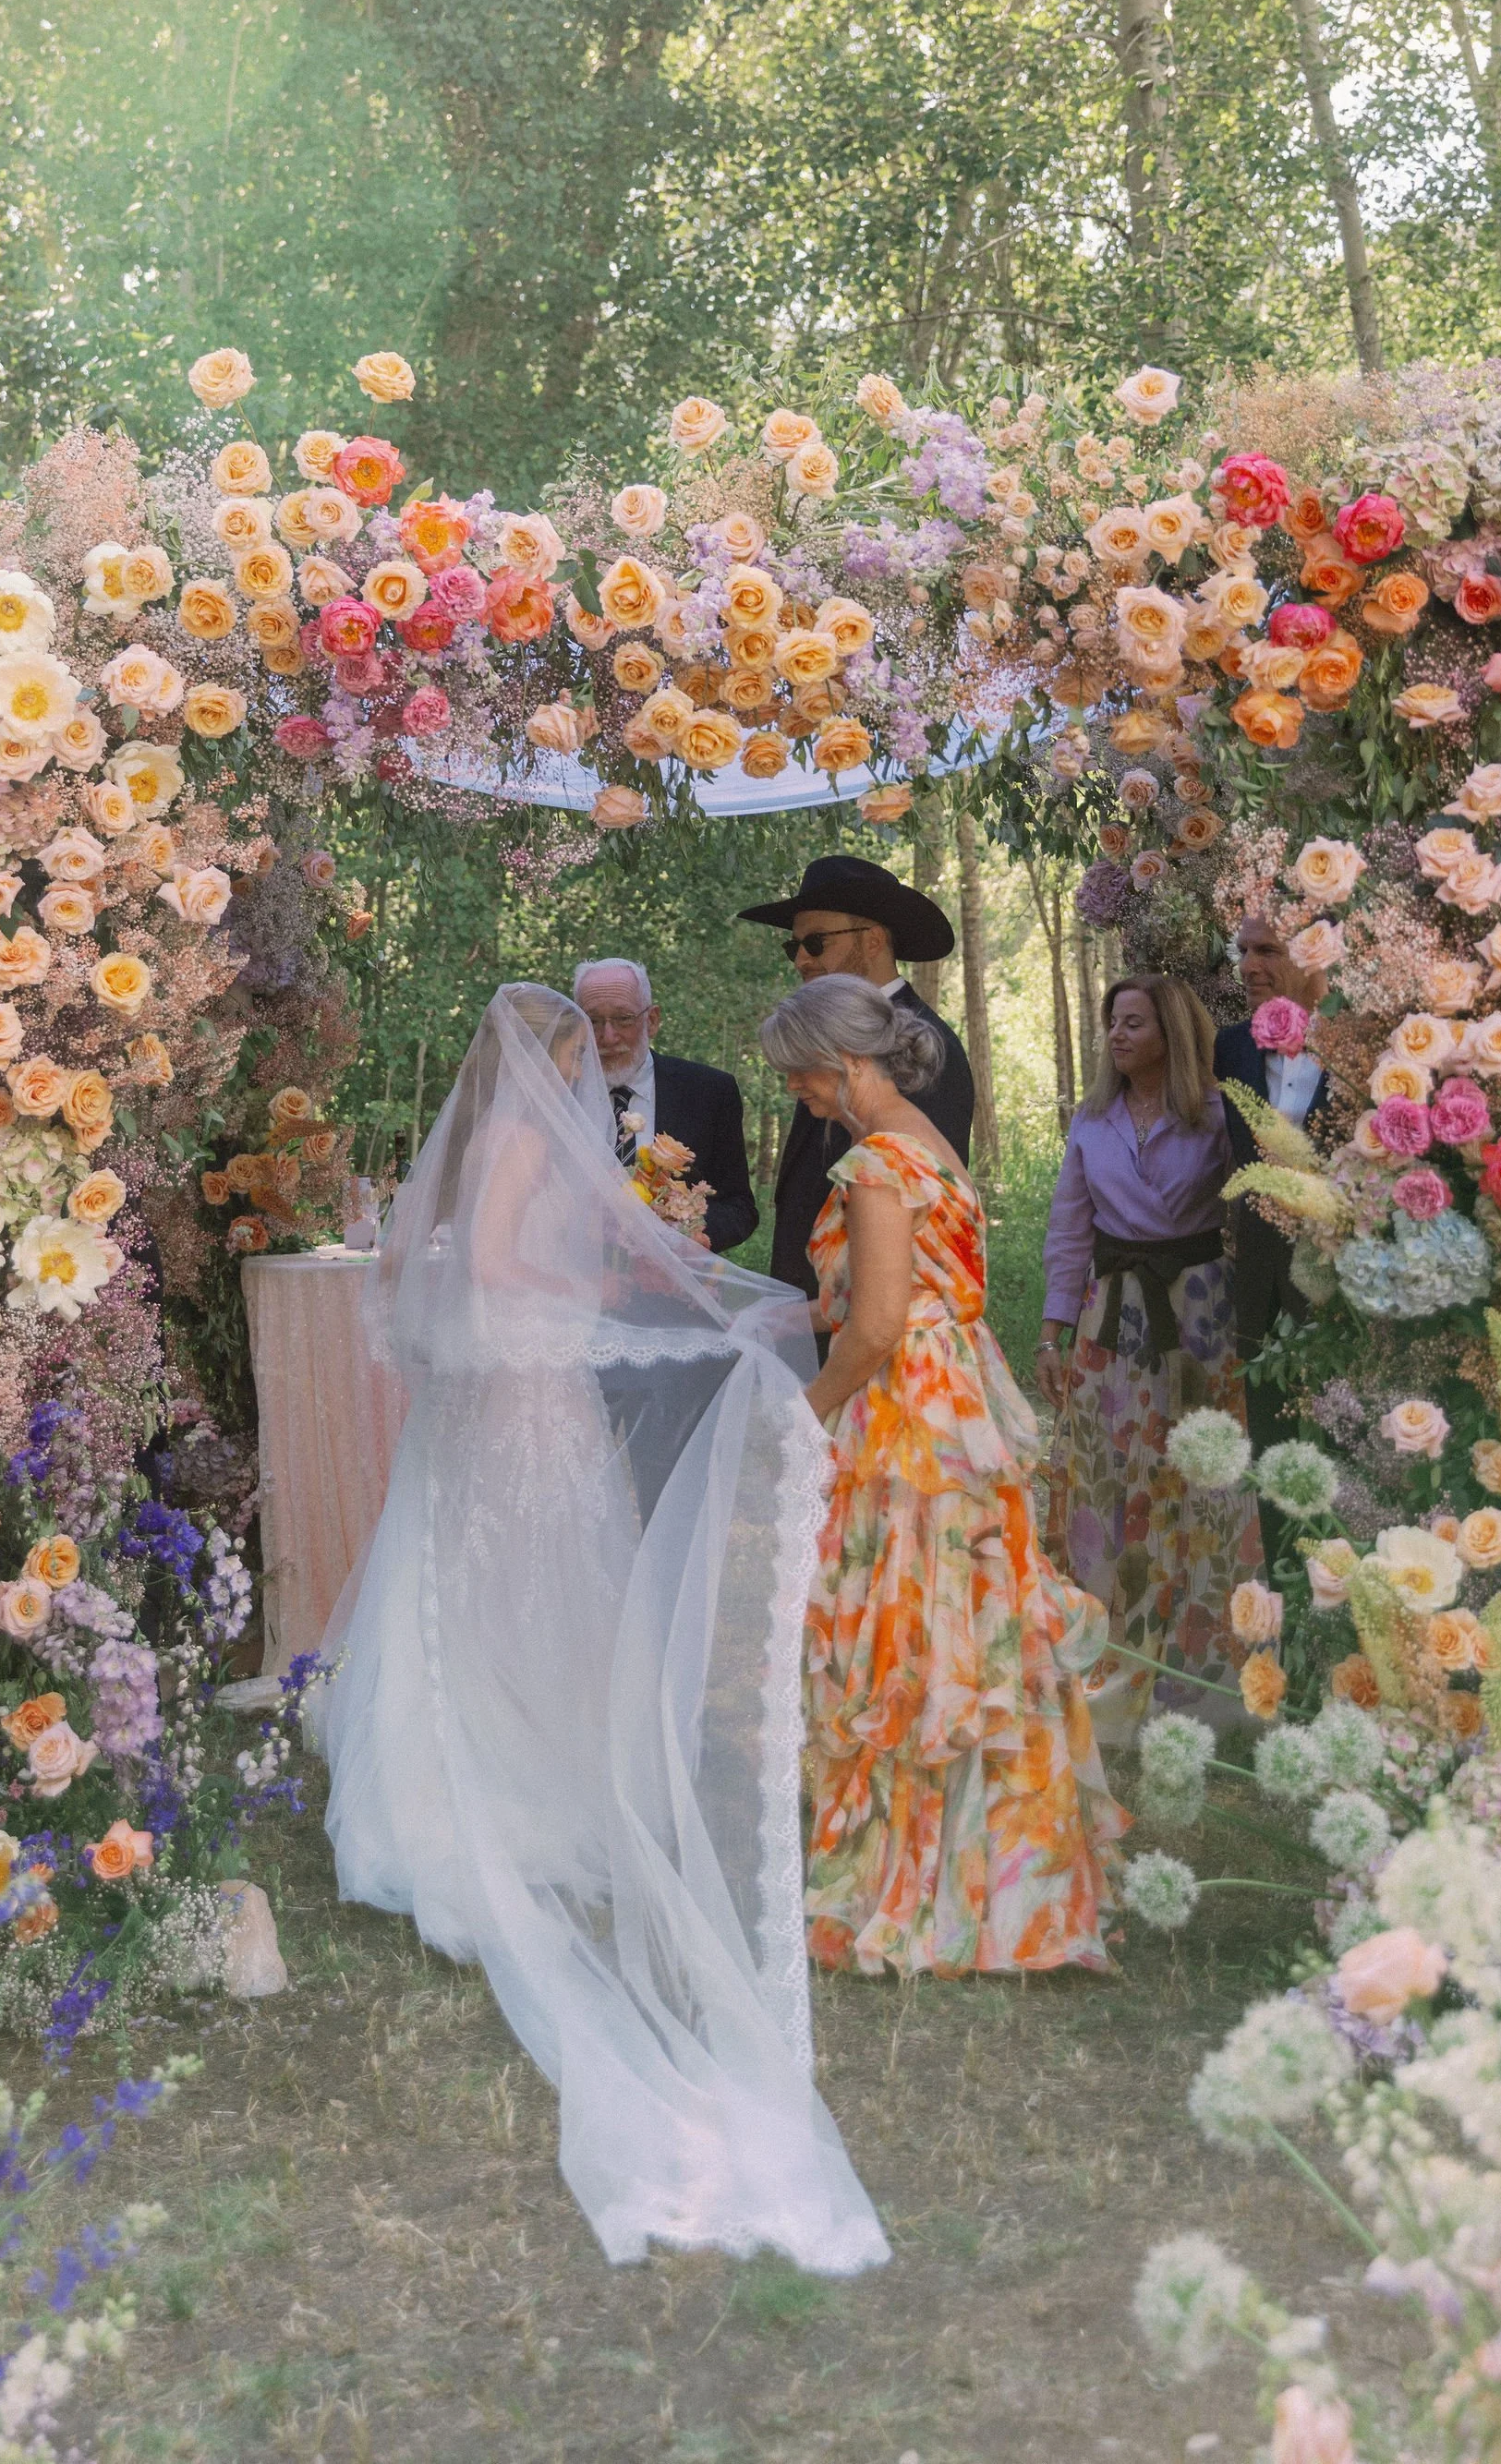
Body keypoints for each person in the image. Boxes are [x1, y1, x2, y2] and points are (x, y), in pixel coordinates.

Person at [316, 984, 887, 2276]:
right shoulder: (524, 1136)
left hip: (505, 1387)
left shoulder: (480, 1132)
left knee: (502, 1575)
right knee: (529, 1570)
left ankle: (513, 1758)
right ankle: (517, 1782)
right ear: (554, 1058)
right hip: (525, 1385)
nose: (584, 1074)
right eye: (578, 1051)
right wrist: (606, 1282)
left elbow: (447, 1258)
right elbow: (507, 1262)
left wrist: (647, 1254)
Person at [760, 973, 1122, 1976]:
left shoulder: (877, 1162)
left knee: (907, 1629)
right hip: (957, 1397)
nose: (793, 1090)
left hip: (908, 1413)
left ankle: (918, 1885)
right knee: (968, 1623)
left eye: (797, 1072)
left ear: (842, 1062)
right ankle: (992, 1881)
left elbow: (874, 1323)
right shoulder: (930, 1140)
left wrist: (810, 1406)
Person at [1038, 974, 1264, 1745]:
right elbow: (1070, 1230)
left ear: (1172, 1030)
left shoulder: (1214, 1117)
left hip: (1201, 1315)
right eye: (1112, 1022)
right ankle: (1104, 1681)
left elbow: (1265, 1207)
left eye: (1134, 1021)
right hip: (1113, 1314)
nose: (1118, 1035)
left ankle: (1206, 1688)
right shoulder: (1092, 1118)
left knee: (1204, 1488)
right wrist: (1051, 1328)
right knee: (1110, 1487)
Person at [739, 852, 974, 1302]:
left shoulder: (923, 1044)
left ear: (872, 941)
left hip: (877, 1322)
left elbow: (922, 1207)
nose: (801, 960)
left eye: (816, 942)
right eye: (794, 947)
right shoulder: (838, 1033)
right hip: (819, 1308)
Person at [1213, 914, 1332, 1541]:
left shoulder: (1359, 1044)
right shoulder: (1230, 1047)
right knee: (1272, 1436)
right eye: (1243, 950)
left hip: (1340, 1274)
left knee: (1345, 1426)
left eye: (1268, 950)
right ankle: (1286, 1586)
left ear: (1315, 957)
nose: (1249, 964)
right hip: (1258, 1273)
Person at [571, 956, 758, 1252]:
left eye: (623, 1019)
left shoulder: (709, 1091)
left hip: (675, 1285)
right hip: (572, 1281)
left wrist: (696, 1236)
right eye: (592, 1021)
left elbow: (738, 1205)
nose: (608, 1036)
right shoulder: (555, 1092)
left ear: (652, 1020)